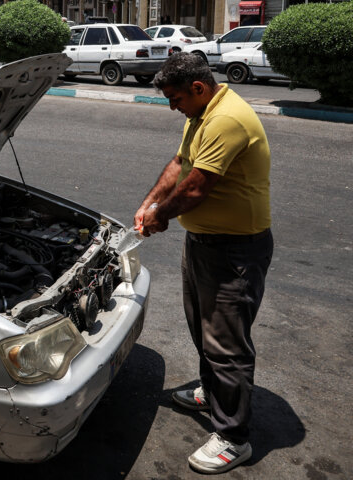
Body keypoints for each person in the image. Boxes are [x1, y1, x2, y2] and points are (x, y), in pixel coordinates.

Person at [135, 53, 273, 474]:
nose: (172, 107)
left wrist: (160, 217)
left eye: (175, 98)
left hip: (234, 251)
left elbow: (196, 189)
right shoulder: (200, 114)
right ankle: (212, 392)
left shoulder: (225, 120)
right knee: (202, 326)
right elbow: (180, 164)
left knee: (227, 344)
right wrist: (151, 201)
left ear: (198, 88)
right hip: (204, 243)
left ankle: (233, 437)